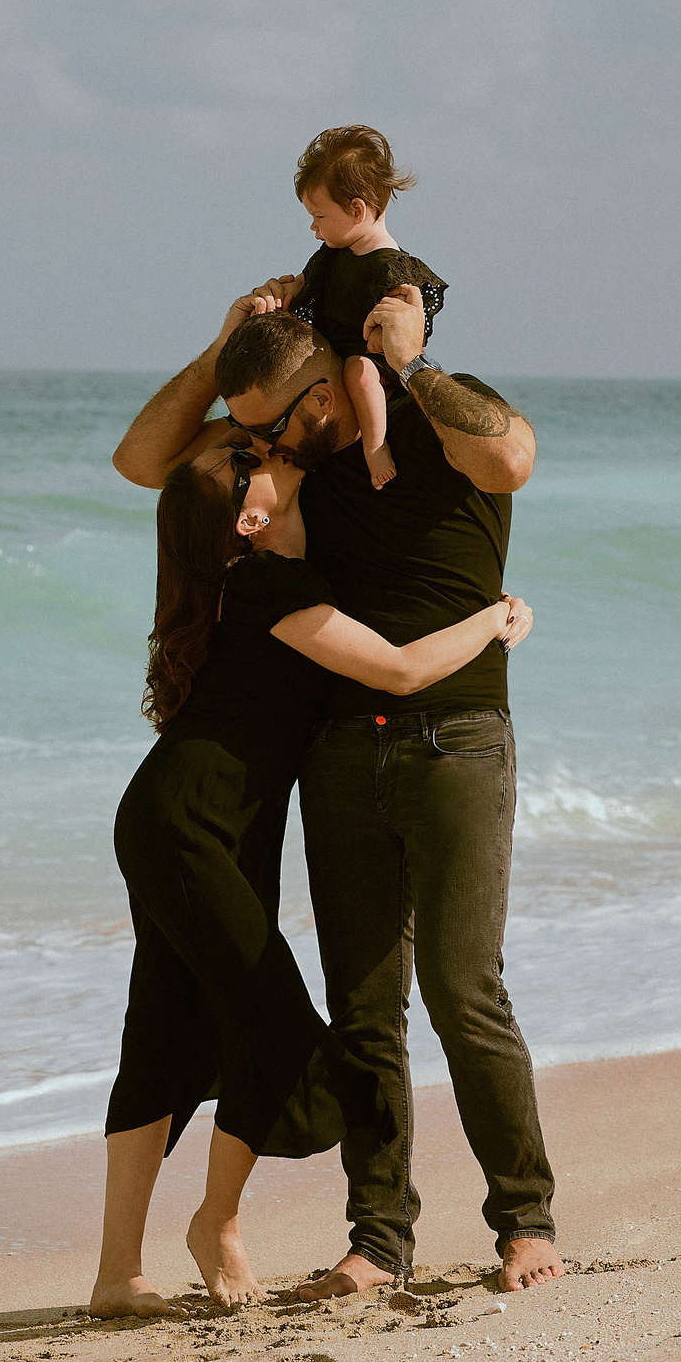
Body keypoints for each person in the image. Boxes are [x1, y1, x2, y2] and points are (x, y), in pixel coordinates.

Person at [111, 271, 565, 1300]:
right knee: (363, 1008)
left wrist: (405, 359)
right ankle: (379, 1239)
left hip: (457, 737)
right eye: (260, 424)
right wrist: (227, 343)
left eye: (289, 408)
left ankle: (524, 1221)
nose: (278, 431)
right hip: (340, 748)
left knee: (461, 989)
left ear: (332, 374)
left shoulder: (439, 420)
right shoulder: (287, 466)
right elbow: (145, 463)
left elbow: (513, 456)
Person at [282, 125, 447, 495]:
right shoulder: (332, 254)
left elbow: (401, 331)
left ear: (357, 209)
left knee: (359, 371)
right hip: (333, 354)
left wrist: (381, 335)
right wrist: (284, 291)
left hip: (375, 363)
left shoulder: (392, 267)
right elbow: (305, 286)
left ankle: (375, 446)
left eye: (319, 216)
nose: (313, 226)